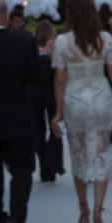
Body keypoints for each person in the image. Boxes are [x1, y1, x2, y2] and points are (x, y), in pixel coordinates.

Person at [51, 0, 112, 223]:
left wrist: (58, 111)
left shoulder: (62, 42)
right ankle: (98, 210)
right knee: (102, 155)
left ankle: (83, 208)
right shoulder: (104, 39)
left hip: (75, 101)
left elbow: (60, 80)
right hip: (101, 98)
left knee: (78, 155)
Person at [0, 0, 43, 223]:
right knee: (22, 169)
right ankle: (18, 216)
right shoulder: (23, 43)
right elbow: (36, 78)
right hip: (18, 116)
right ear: (7, 16)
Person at [33, 19, 63, 183]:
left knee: (39, 130)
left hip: (35, 94)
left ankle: (44, 165)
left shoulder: (32, 46)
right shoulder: (55, 46)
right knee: (54, 128)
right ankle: (53, 164)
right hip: (52, 92)